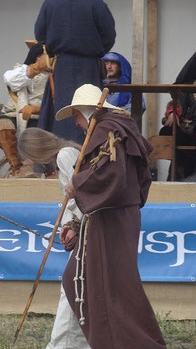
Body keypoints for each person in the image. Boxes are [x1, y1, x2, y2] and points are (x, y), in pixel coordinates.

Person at [52, 84, 166, 348]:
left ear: (85, 110)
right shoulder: (116, 128)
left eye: (76, 116)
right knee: (103, 283)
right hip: (115, 216)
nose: (77, 123)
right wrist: (77, 221)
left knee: (111, 287)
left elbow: (110, 175)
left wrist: (76, 184)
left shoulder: (107, 128)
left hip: (111, 219)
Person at [18, 127, 91, 348]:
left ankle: (63, 344)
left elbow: (85, 196)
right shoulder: (65, 154)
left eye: (30, 156)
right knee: (76, 288)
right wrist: (70, 224)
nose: (31, 161)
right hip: (84, 230)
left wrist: (75, 223)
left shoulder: (65, 155)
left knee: (72, 287)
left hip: (90, 233)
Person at [34, 0, 116, 144]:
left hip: (61, 66)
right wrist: (98, 52)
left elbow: (39, 34)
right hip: (88, 68)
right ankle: (88, 158)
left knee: (61, 112)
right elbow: (109, 35)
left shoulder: (51, 1)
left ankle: (56, 159)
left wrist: (55, 48)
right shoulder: (96, 3)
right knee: (89, 112)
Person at [0, 41, 50, 177]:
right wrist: (34, 69)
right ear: (36, 57)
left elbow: (58, 101)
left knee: (34, 131)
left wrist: (38, 109)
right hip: (17, 113)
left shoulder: (55, 76)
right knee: (2, 124)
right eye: (43, 55)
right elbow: (9, 79)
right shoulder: (22, 71)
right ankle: (17, 167)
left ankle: (30, 166)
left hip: (43, 115)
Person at [160, 52, 196, 180]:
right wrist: (173, 112)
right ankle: (180, 172)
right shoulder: (189, 84)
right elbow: (177, 102)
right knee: (167, 131)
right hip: (187, 130)